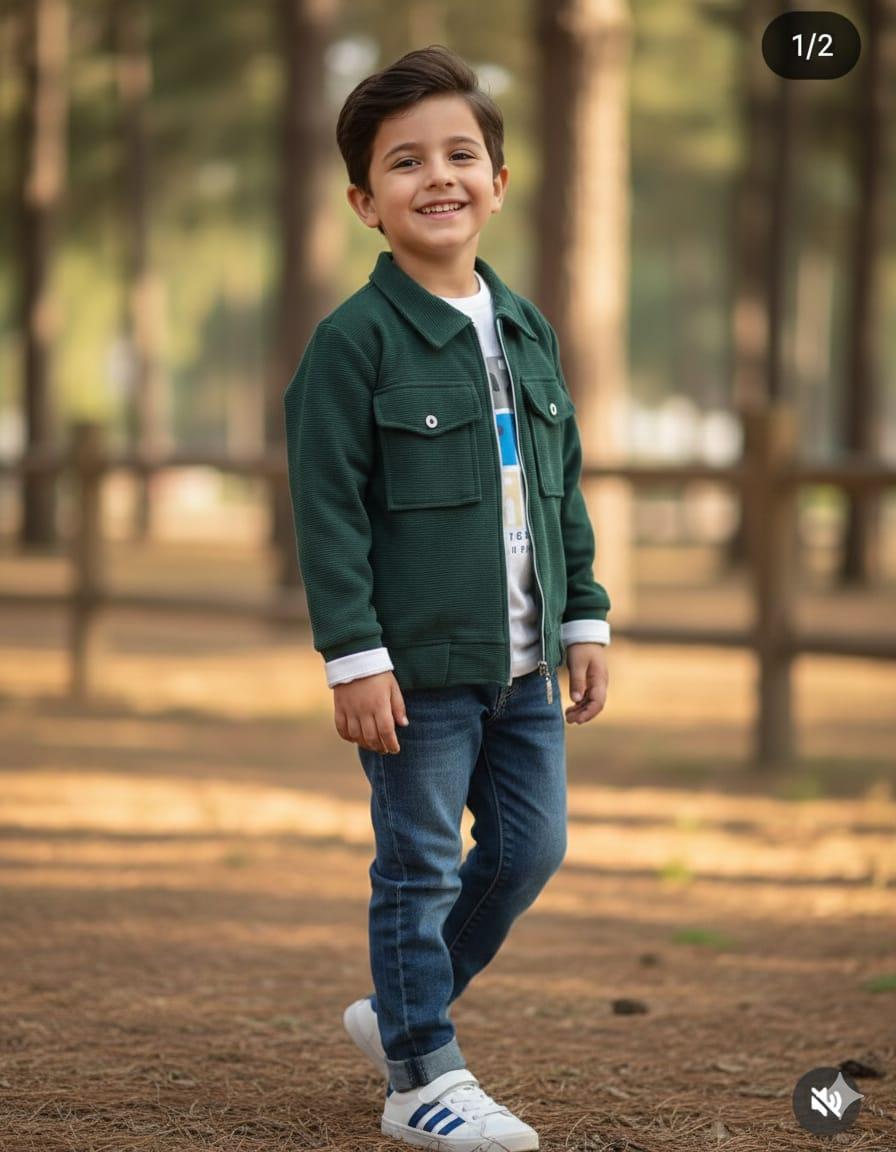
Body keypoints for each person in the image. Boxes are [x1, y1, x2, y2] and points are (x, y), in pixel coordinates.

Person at [283, 44, 611, 1152]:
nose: (438, 177)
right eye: (405, 161)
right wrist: (353, 656)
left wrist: (583, 615)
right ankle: (419, 1073)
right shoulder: (353, 344)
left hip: (523, 664)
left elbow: (560, 484)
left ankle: (398, 1012)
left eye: (460, 154)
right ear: (363, 203)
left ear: (498, 184)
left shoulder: (525, 329)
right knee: (417, 867)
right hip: (416, 669)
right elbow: (327, 513)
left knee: (529, 851)